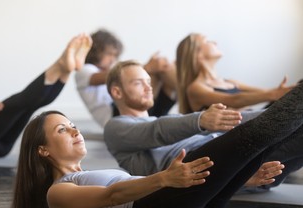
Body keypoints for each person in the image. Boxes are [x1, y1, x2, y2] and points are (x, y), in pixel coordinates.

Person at [3, 82, 303, 208]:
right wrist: (164, 179)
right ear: (42, 150)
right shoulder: (57, 193)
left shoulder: (83, 177)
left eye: (72, 124)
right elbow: (113, 196)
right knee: (252, 136)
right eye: (61, 130)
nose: (74, 130)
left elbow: (128, 190)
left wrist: (245, 177)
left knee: (258, 151)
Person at [104, 60, 303, 191]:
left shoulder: (167, 121)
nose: (149, 87)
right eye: (139, 83)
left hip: (241, 166)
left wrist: (277, 112)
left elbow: (238, 119)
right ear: (117, 92)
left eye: (149, 81)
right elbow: (155, 131)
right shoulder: (115, 129)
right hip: (232, 164)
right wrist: (200, 121)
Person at [75, 29, 177, 127]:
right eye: (109, 54)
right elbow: (113, 77)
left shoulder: (107, 69)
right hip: (117, 114)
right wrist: (148, 67)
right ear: (96, 52)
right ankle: (186, 93)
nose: (112, 59)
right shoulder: (84, 70)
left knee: (163, 70)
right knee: (155, 71)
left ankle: (185, 92)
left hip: (135, 109)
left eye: (115, 56)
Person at [176, 33, 295, 114]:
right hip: (241, 135)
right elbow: (233, 100)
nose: (215, 42)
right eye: (207, 41)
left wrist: (282, 92)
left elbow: (266, 93)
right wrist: (274, 94)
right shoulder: (196, 88)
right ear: (197, 55)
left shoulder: (230, 82)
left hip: (256, 120)